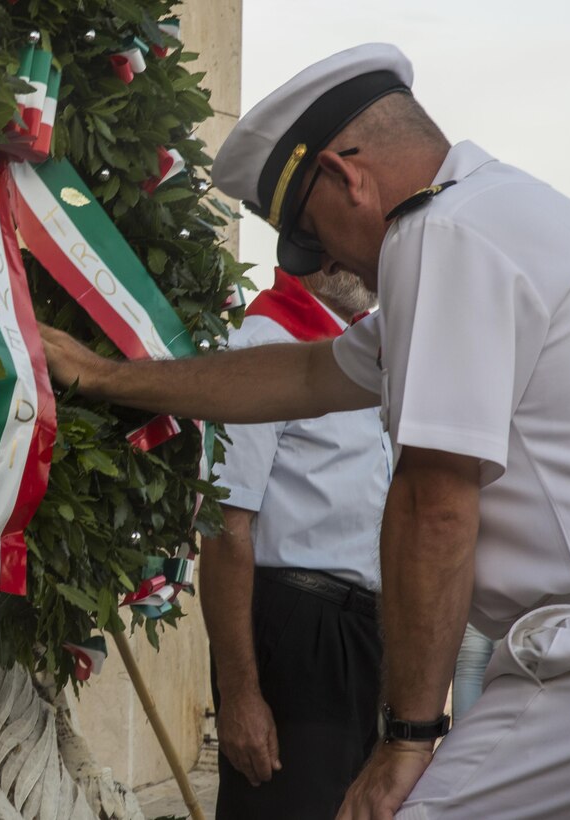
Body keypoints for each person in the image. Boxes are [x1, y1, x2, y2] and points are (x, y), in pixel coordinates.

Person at [40, 42, 570, 818]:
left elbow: (433, 502)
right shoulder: (498, 217)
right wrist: (104, 376)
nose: (320, 261)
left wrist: (405, 738)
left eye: (309, 232)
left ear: (343, 175)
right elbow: (302, 375)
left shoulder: (442, 234)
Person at [202, 266, 390, 820]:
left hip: (364, 635)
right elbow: (224, 529)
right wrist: (239, 695)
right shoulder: (264, 341)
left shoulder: (360, 351)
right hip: (297, 628)